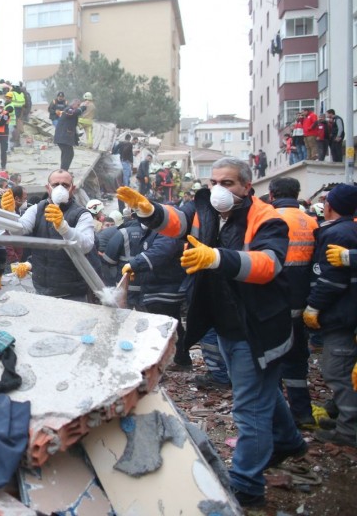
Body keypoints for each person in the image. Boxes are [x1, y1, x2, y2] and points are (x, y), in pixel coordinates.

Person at [117, 157, 304, 508]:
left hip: (258, 326)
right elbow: (176, 222)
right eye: (215, 181)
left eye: (229, 183)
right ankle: (290, 441)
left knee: (249, 408)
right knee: (261, 391)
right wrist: (148, 209)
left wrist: (217, 258)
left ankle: (246, 486)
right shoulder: (203, 208)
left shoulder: (268, 219)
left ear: (247, 187)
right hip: (224, 322)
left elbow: (268, 265)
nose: (219, 188)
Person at [303, 183, 357, 448]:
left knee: (338, 371)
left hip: (341, 316)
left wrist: (314, 306)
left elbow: (331, 279)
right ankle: (338, 413)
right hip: (347, 315)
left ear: (329, 206)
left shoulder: (338, 234)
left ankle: (349, 430)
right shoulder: (349, 230)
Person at [268, 177, 319, 429]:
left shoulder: (267, 219)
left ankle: (278, 418)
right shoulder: (311, 221)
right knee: (297, 358)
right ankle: (303, 413)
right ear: (297, 193)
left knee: (272, 360)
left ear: (271, 194)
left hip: (273, 302)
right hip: (302, 303)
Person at [3, 169, 96, 301]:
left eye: (65, 185)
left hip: (72, 292)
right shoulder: (37, 209)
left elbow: (86, 245)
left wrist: (64, 228)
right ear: (48, 188)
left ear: (72, 188)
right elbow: (18, 230)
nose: (60, 188)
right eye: (55, 184)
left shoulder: (82, 214)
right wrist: (10, 214)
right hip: (41, 288)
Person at [124, 228, 190, 367]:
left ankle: (164, 363)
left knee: (162, 328)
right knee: (170, 325)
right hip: (161, 286)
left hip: (164, 287)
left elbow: (160, 252)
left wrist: (135, 264)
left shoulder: (165, 232)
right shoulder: (153, 232)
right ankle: (180, 359)